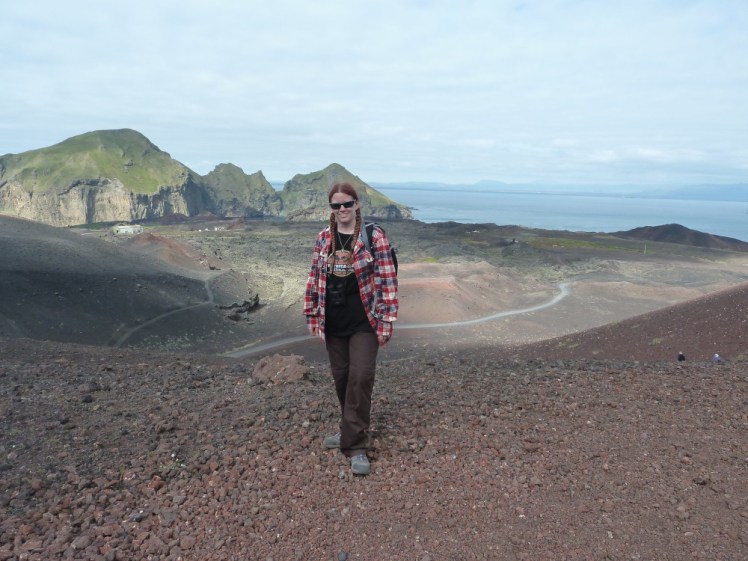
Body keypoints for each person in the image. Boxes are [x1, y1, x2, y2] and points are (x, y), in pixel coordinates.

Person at [303, 182, 399, 476]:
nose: (342, 209)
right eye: (336, 205)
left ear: (357, 204)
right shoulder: (323, 239)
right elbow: (314, 277)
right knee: (342, 379)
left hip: (365, 322)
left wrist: (386, 320)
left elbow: (387, 279)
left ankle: (356, 446)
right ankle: (348, 429)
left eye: (347, 204)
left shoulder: (374, 238)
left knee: (361, 376)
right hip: (333, 322)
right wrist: (311, 313)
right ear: (330, 209)